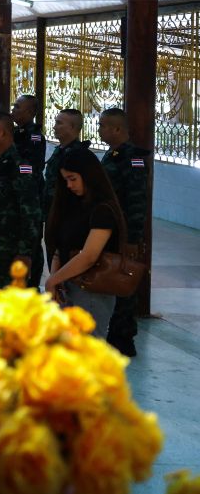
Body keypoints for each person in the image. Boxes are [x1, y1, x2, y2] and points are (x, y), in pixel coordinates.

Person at [44, 147, 128, 336]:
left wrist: (53, 280)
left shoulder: (103, 210)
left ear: (88, 175)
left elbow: (89, 256)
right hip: (66, 285)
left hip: (91, 291)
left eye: (73, 179)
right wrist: (56, 280)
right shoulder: (72, 204)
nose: (69, 185)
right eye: (65, 180)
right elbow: (59, 247)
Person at [98, 107, 151, 357]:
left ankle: (123, 337)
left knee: (123, 281)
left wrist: (132, 238)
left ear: (117, 129)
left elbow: (136, 202)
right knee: (111, 279)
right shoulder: (113, 155)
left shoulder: (132, 158)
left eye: (103, 125)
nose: (99, 130)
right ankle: (113, 332)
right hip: (110, 230)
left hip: (124, 233)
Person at [0, 111, 40, 296]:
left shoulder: (20, 167)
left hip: (9, 253)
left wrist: (25, 252)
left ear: (3, 133)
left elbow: (31, 214)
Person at [43, 109, 89, 262]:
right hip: (53, 214)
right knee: (53, 259)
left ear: (72, 127)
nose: (54, 126)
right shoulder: (60, 150)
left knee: (65, 260)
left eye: (59, 123)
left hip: (68, 218)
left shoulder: (78, 154)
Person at [12, 94, 48, 286]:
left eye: (18, 107)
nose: (13, 110)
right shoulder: (16, 133)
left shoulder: (34, 137)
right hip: (16, 197)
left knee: (31, 244)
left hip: (30, 196)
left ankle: (33, 284)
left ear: (30, 112)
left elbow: (31, 168)